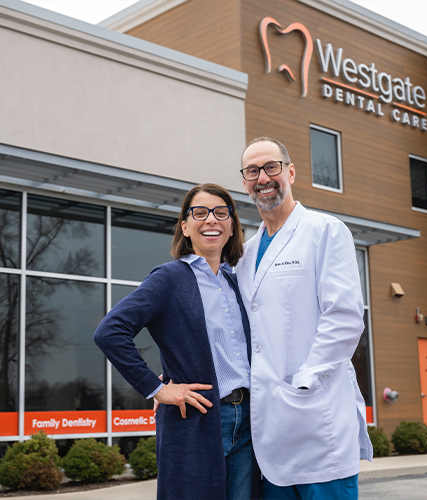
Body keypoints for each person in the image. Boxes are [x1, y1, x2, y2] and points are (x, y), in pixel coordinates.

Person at [94, 183, 258, 500]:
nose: (211, 219)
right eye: (200, 212)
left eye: (221, 213)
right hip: (199, 420)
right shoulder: (170, 278)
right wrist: (157, 389)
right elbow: (110, 330)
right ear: (185, 226)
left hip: (249, 419)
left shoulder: (236, 281)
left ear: (231, 225)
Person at [236, 137, 373, 499]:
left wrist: (305, 381)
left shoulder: (325, 231)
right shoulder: (245, 255)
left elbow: (343, 317)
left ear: (290, 172)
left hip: (317, 418)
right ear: (245, 182)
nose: (263, 177)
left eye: (271, 167)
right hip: (270, 433)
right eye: (253, 171)